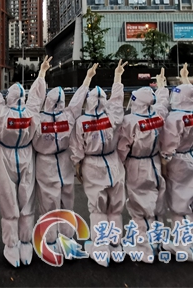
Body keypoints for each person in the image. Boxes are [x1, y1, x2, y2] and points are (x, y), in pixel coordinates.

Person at [0, 54, 45, 268]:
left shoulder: (2, 113)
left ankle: (12, 246)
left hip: (6, 156)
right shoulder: (30, 111)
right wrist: (42, 73)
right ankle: (25, 244)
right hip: (26, 156)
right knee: (27, 200)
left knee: (9, 201)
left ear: (8, 97)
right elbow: (37, 96)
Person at [33, 61, 99, 254]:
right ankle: (60, 240)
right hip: (60, 162)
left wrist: (42, 74)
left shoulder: (38, 119)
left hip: (49, 162)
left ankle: (56, 241)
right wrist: (87, 79)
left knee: (52, 203)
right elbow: (77, 101)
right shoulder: (67, 116)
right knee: (62, 202)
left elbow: (34, 100)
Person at [71, 60, 127, 267]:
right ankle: (116, 246)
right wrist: (118, 76)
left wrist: (77, 165)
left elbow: (76, 147)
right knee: (115, 208)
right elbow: (118, 99)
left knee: (98, 208)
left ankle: (101, 249)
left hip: (93, 165)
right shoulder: (112, 116)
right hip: (113, 163)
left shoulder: (81, 122)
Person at [117, 68, 169, 263]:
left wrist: (119, 165)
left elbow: (123, 147)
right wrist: (162, 86)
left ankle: (144, 248)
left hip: (137, 164)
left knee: (139, 206)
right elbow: (163, 103)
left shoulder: (130, 121)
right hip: (154, 162)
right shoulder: (157, 116)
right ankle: (157, 242)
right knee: (156, 204)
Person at [160, 63, 193, 256]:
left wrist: (164, 163)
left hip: (179, 161)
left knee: (178, 204)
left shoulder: (174, 118)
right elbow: (192, 100)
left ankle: (182, 246)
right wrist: (185, 78)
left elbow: (169, 144)